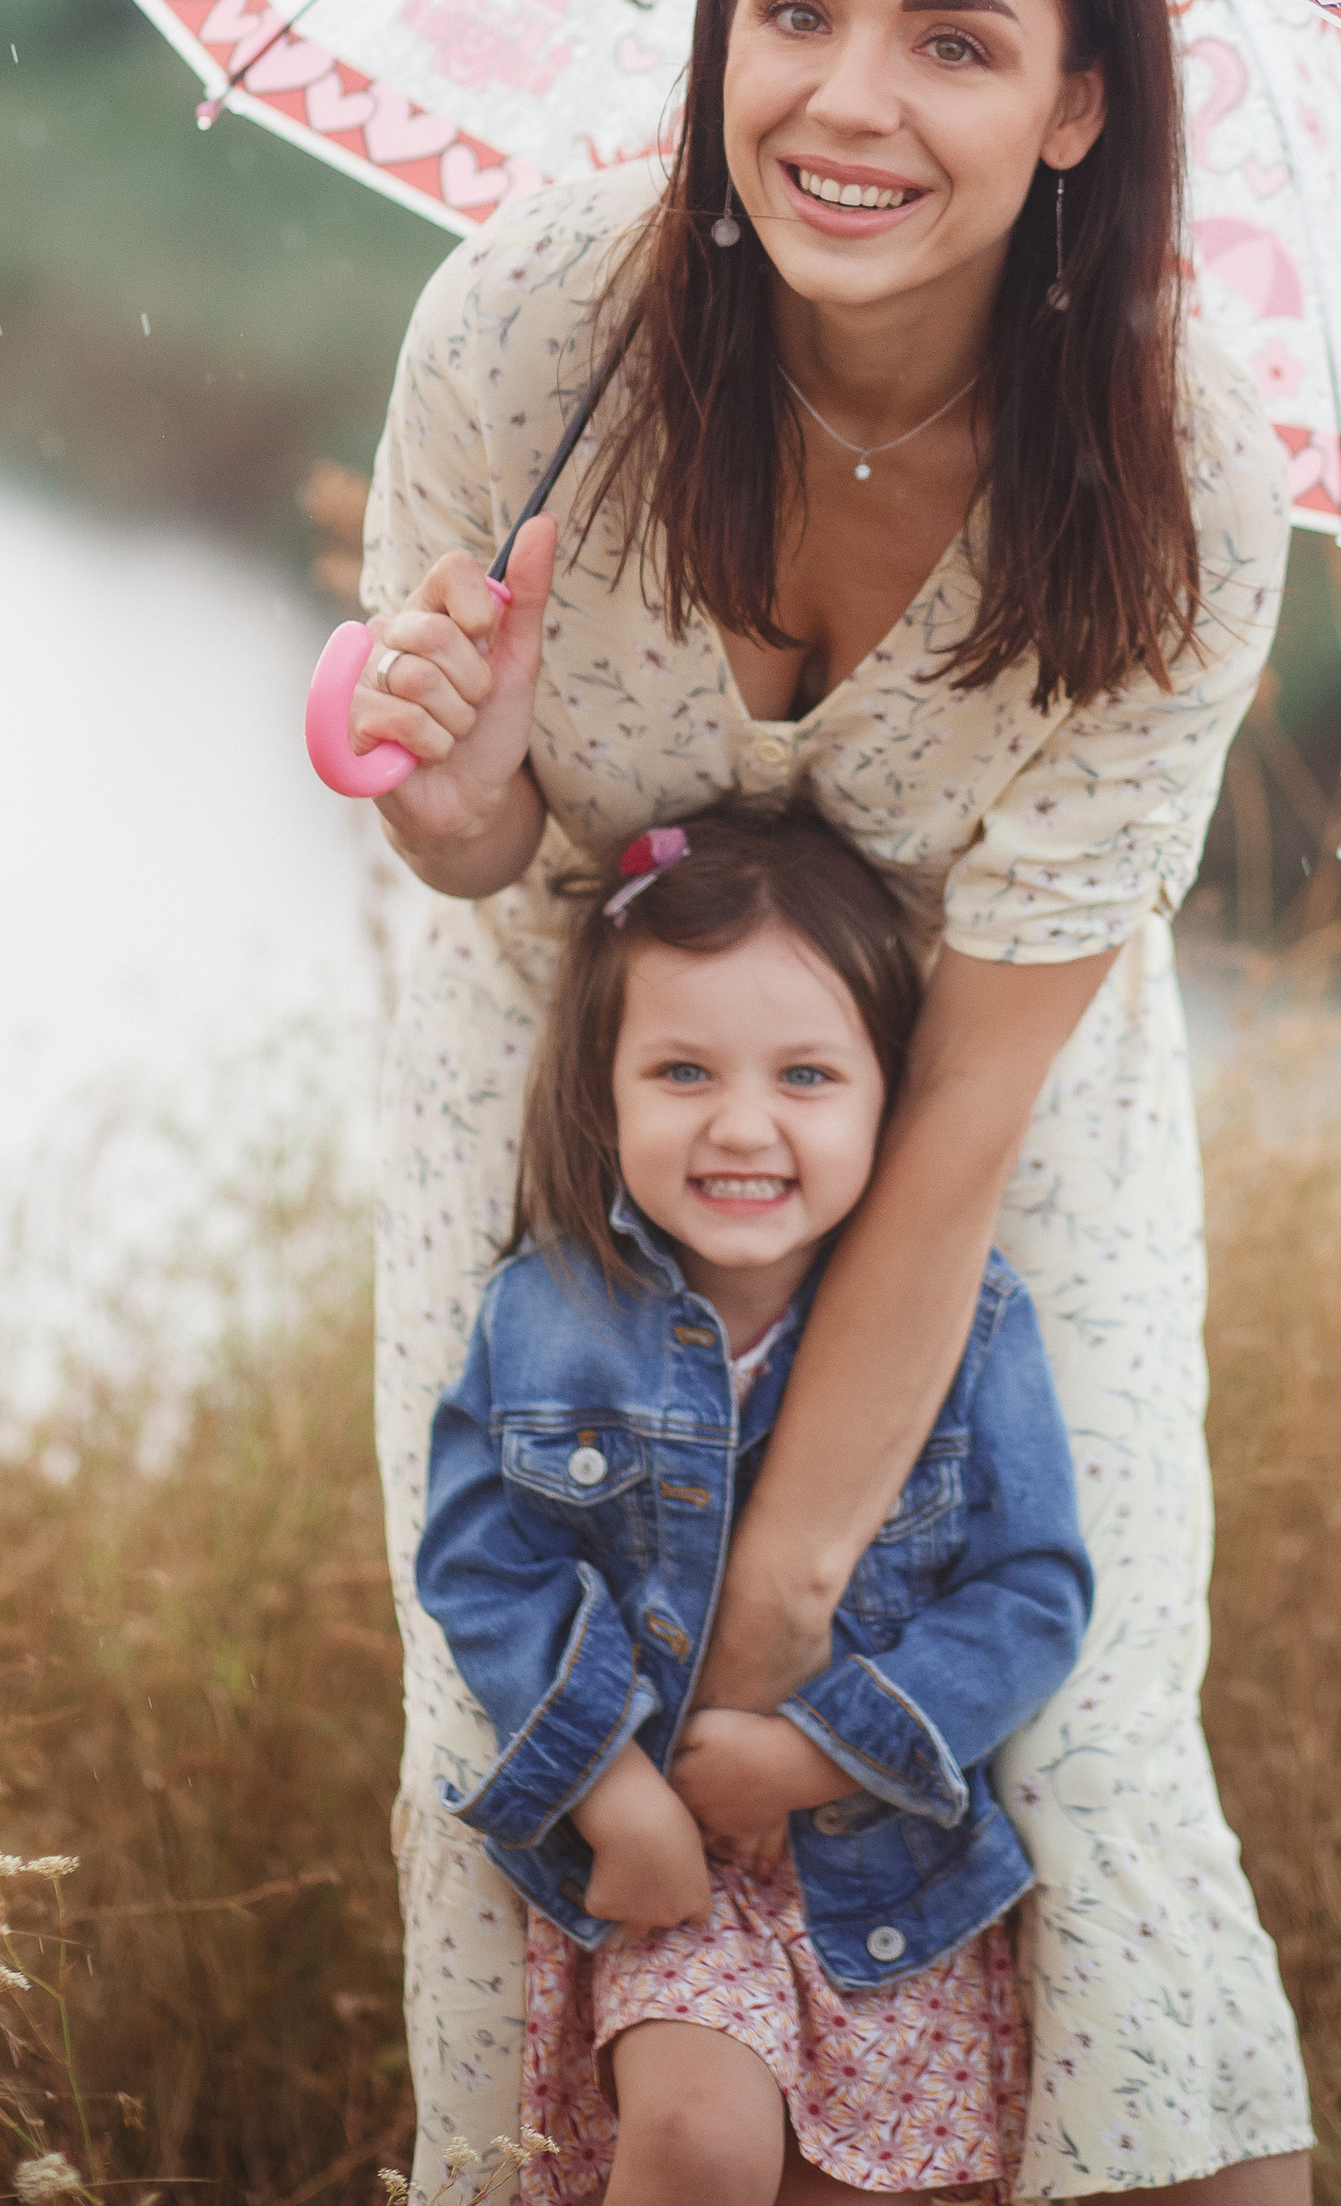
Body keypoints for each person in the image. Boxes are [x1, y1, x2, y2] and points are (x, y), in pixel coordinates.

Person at [360, 0, 1314, 2202]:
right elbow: (476, 844)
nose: (843, 102)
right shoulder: (533, 326)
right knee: (561, 1716)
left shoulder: (1173, 458)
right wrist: (443, 780)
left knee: (1070, 1752)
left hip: (993, 1113)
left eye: (954, 40)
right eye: (791, 9)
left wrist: (785, 1592)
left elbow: (971, 1107)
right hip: (580, 1102)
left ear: (1084, 99)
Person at [417, 800, 1093, 2206]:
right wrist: (613, 1796)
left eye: (805, 1076)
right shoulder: (547, 1316)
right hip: (666, 1869)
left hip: (888, 1869)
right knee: (699, 2144)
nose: (742, 1125)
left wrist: (817, 1755)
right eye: (680, 1070)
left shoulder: (971, 1326)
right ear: (601, 1091)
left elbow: (1031, 1595)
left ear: (888, 1098)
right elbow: (489, 1572)